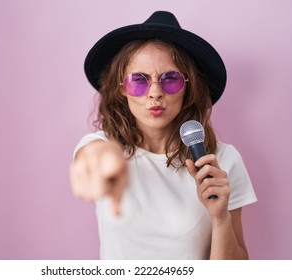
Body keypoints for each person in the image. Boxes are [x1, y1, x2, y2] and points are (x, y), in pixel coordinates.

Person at [70, 11, 257, 260]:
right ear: (121, 88)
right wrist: (100, 161)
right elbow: (93, 157)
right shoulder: (101, 144)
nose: (155, 93)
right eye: (139, 80)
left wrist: (220, 218)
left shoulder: (223, 160)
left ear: (188, 88)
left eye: (170, 79)